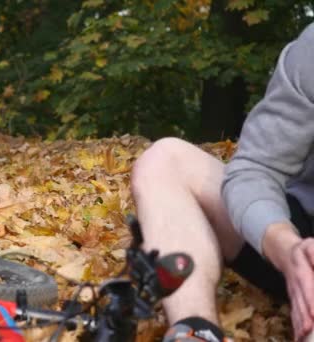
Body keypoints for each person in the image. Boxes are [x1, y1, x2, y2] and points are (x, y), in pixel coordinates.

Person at [130, 23, 314, 342]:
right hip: (297, 236)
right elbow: (256, 168)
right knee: (166, 160)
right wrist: (288, 249)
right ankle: (196, 331)